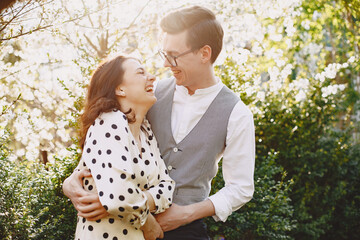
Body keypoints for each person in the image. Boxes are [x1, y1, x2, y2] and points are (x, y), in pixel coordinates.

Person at [63, 5, 255, 240]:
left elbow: (241, 188)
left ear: (205, 54)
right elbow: (107, 149)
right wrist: (73, 183)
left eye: (174, 56)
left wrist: (185, 214)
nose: (165, 64)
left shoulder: (237, 113)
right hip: (128, 226)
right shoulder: (149, 97)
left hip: (187, 230)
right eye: (164, 54)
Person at [69, 55, 175, 240]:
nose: (151, 77)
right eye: (141, 72)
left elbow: (167, 188)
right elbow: (118, 193)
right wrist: (147, 221)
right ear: (120, 89)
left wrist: (124, 200)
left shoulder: (145, 131)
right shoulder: (109, 121)